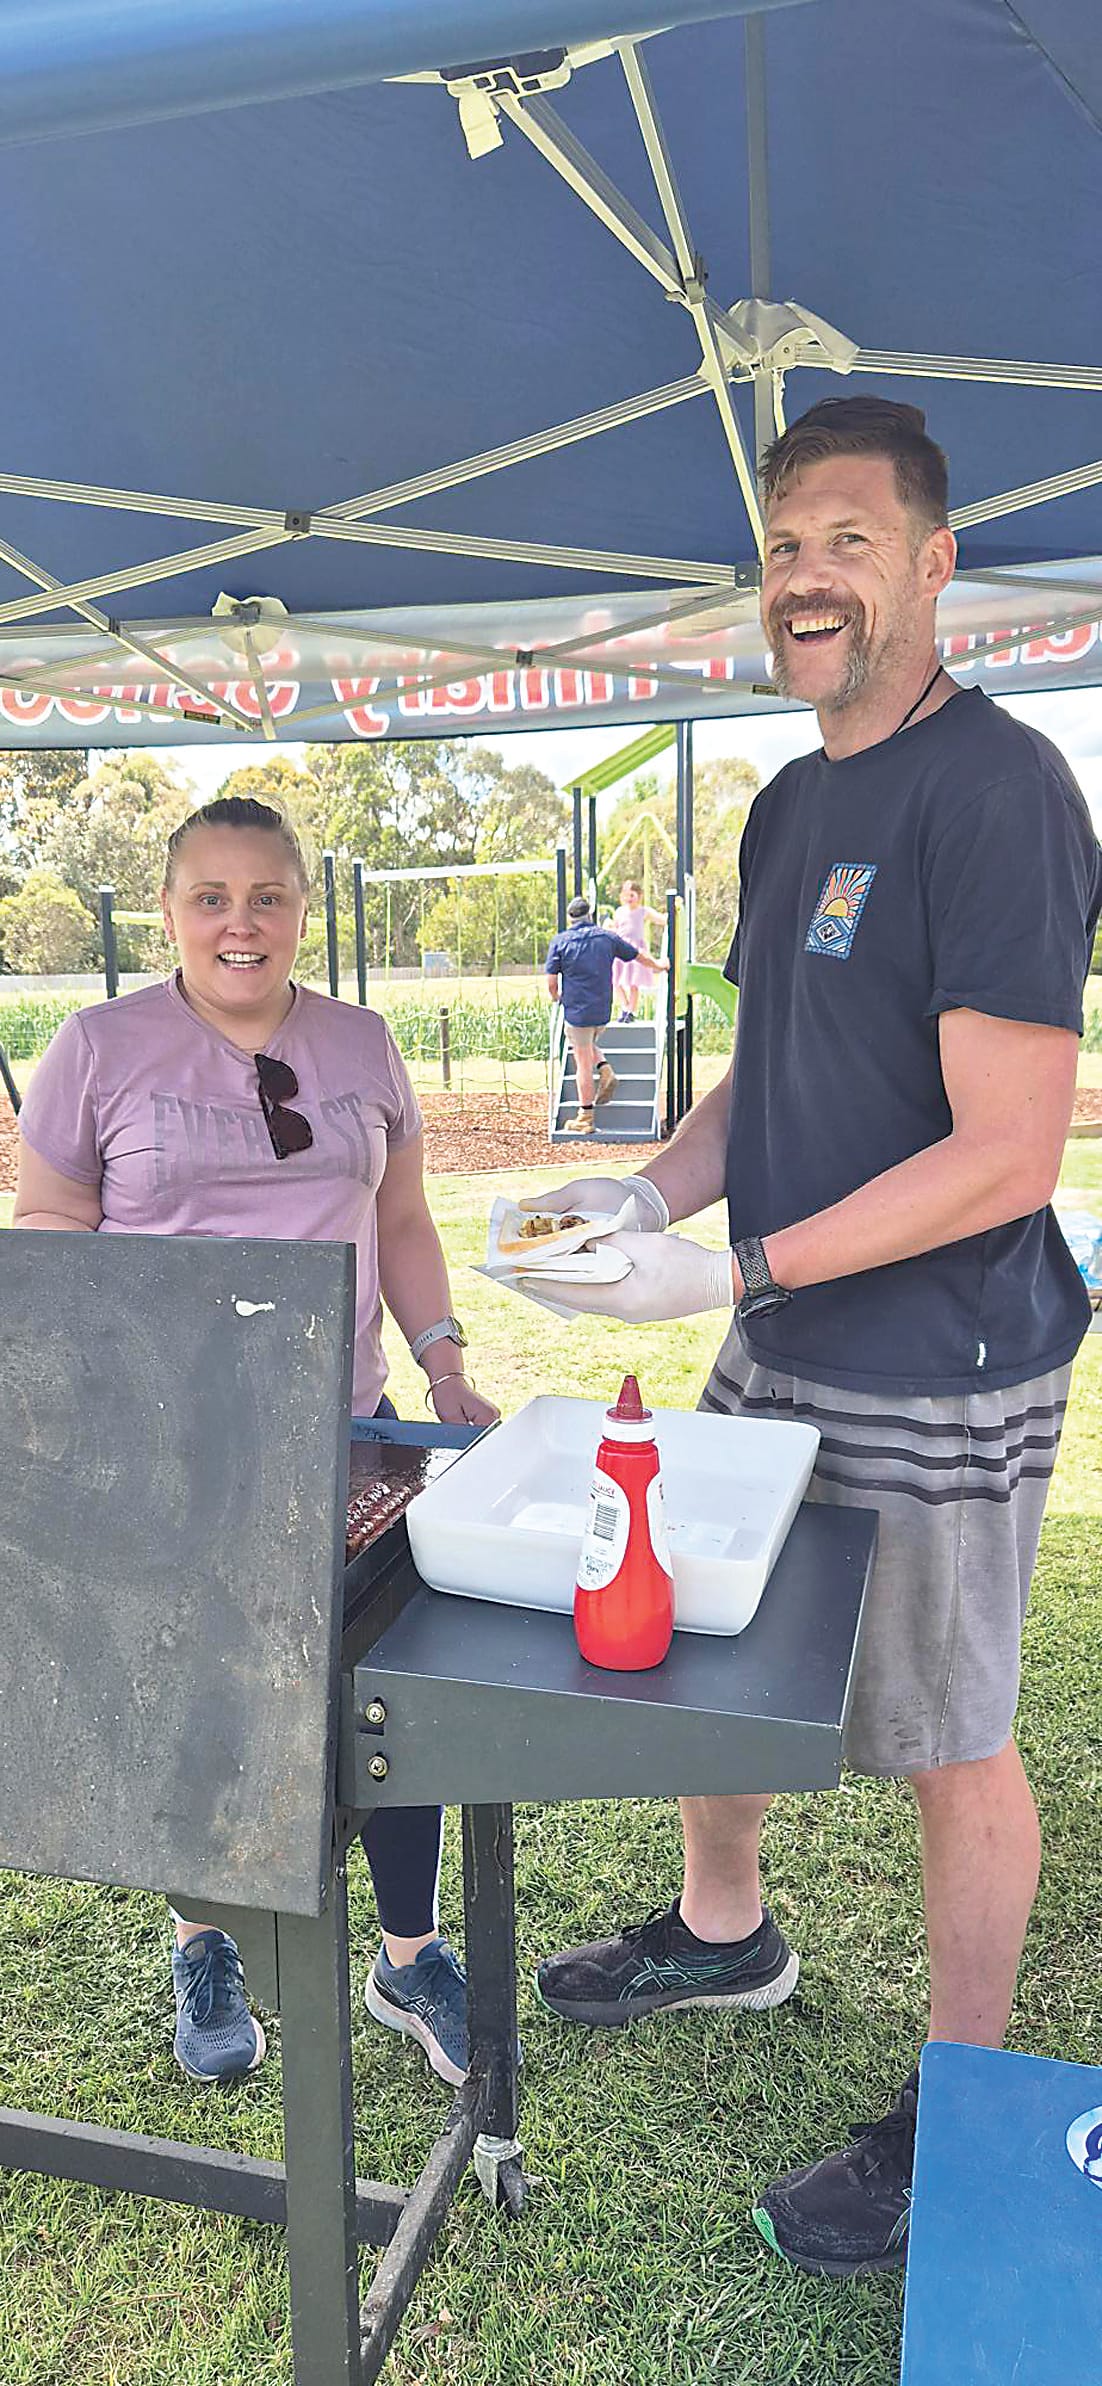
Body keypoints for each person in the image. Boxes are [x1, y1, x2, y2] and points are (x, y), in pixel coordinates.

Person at [528, 395, 1102, 2275]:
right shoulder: (789, 802)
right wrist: (648, 1199)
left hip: (940, 1353)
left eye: (848, 539)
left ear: (934, 567)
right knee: (713, 1647)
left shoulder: (1001, 791)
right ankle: (724, 1930)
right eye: (784, 542)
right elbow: (762, 1078)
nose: (804, 574)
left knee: (949, 1735)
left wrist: (740, 1265)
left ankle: (961, 2100)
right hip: (773, 1321)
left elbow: (1010, 1151)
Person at [14, 794, 499, 2088]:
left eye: (267, 896)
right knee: (198, 1692)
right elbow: (53, 1220)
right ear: (169, 911)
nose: (241, 922)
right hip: (170, 1442)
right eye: (211, 897)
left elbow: (400, 1220)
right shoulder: (98, 1045)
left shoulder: (362, 1041)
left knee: (388, 1694)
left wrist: (444, 1355)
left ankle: (409, 1954)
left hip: (348, 1427)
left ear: (300, 910)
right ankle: (205, 1938)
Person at [545, 893, 668, 1135]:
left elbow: (551, 983)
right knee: (589, 1043)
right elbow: (637, 956)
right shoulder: (607, 937)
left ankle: (585, 1117)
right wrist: (659, 966)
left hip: (577, 1010)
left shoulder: (560, 941)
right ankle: (605, 1068)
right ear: (590, 915)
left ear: (570, 918)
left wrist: (557, 998)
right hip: (601, 1010)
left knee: (581, 1063)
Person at [610, 879, 666, 1022]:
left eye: (632, 895)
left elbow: (660, 919)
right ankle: (625, 1007)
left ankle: (631, 1011)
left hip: (636, 950)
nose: (629, 899)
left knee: (633, 983)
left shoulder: (643, 911)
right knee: (615, 980)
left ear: (639, 896)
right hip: (621, 948)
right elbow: (616, 928)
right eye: (626, 895)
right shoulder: (620, 911)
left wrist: (670, 915)